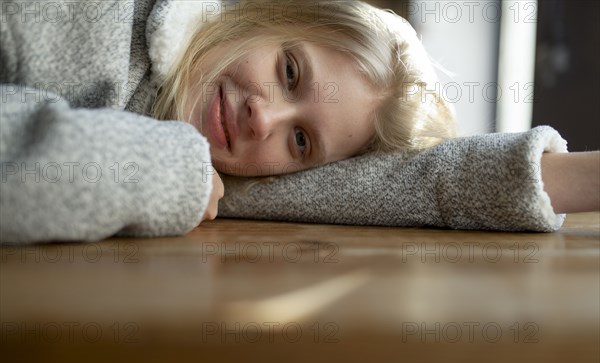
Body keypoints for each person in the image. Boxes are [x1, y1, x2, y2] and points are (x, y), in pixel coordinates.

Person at [0, 0, 597, 244]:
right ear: (266, 14)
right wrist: (165, 170)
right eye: (289, 72)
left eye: (302, 139)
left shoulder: (217, 150)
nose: (265, 119)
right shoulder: (93, 17)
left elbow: (407, 183)